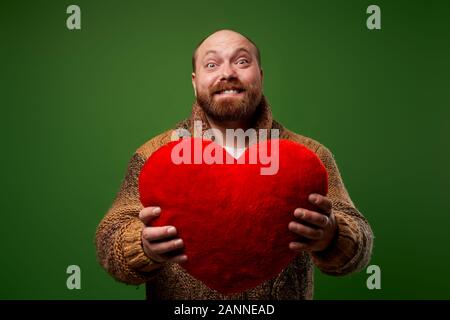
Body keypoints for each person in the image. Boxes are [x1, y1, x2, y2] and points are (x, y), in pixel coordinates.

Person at [95, 29, 373, 300]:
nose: (227, 73)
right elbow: (109, 241)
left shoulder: (309, 156)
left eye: (242, 61)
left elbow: (359, 240)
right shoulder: (154, 155)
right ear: (194, 81)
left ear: (261, 77)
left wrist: (333, 235)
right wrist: (142, 246)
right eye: (212, 64)